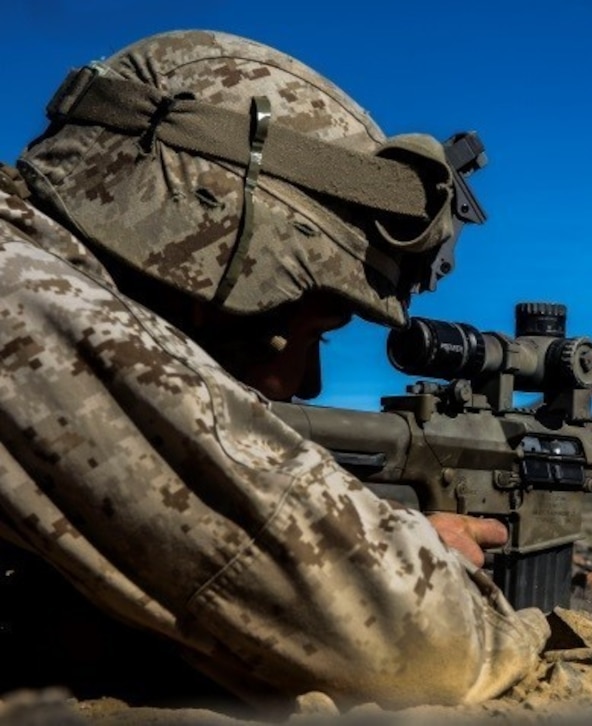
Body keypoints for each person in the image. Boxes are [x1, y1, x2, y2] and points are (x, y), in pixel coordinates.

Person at [0, 30, 547, 710]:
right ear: (211, 243)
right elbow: (417, 643)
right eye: (313, 329)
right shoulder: (20, 294)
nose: (312, 383)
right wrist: (423, 558)